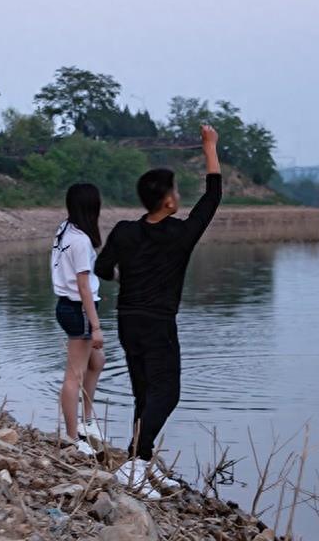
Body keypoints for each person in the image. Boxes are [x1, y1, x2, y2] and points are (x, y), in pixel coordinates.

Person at [95, 124, 222, 497]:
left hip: (127, 320)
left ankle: (143, 462)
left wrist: (129, 277)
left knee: (143, 392)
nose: (179, 197)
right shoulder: (178, 235)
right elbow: (211, 198)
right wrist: (209, 148)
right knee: (166, 393)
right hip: (157, 323)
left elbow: (103, 269)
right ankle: (134, 462)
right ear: (167, 201)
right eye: (176, 191)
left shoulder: (123, 231)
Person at [52, 183, 106, 454]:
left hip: (67, 306)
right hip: (78, 309)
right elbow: (83, 286)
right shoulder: (81, 241)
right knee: (74, 374)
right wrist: (95, 326)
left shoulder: (65, 229)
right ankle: (73, 437)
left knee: (97, 361)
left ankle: (86, 420)